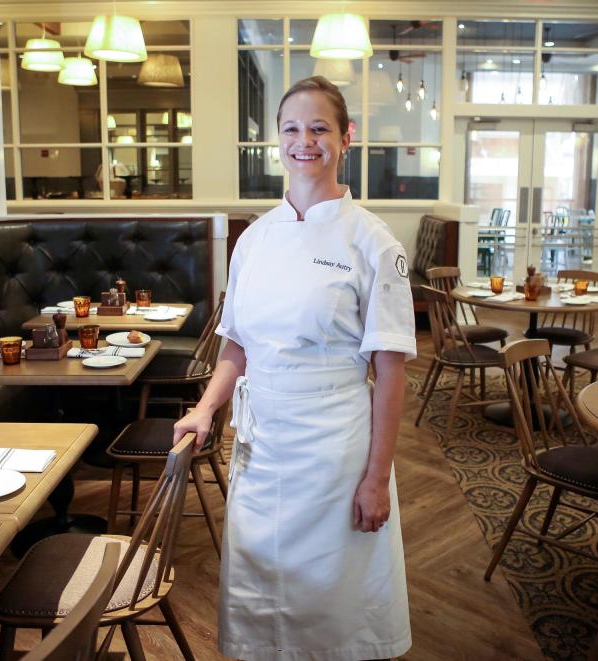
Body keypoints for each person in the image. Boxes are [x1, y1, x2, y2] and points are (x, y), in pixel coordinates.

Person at [173, 75, 415, 660]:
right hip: (260, 448)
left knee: (335, 597)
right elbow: (237, 346)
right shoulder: (254, 238)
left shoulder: (372, 241)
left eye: (319, 128)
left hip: (337, 446)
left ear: (345, 138)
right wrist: (205, 410)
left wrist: (376, 478)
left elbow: (391, 373)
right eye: (291, 129)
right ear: (275, 140)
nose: (304, 141)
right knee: (261, 587)